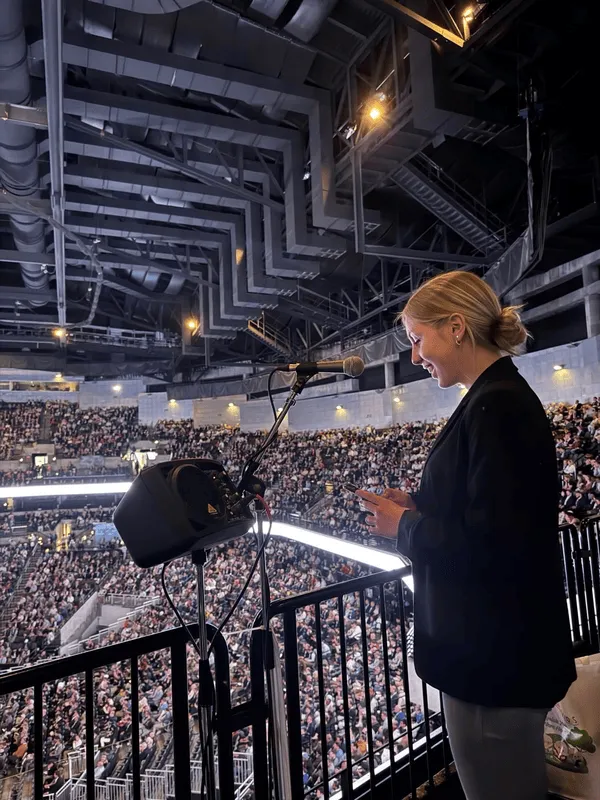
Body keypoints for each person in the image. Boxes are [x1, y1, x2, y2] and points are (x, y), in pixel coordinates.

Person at [356, 271, 576, 800]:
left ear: (456, 328)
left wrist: (404, 526)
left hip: (493, 664)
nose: (413, 356)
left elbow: (492, 548)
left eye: (416, 338)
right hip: (492, 656)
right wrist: (422, 505)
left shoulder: (498, 406)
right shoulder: (492, 398)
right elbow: (490, 512)